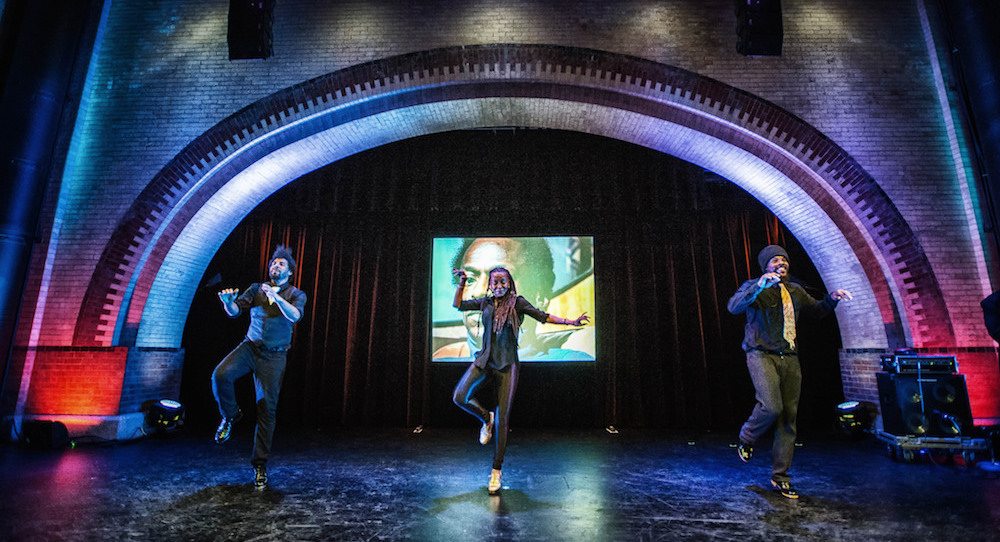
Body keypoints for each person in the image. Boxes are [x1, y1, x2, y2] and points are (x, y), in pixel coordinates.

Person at [451, 266, 590, 494]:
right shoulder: (485, 303)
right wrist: (462, 282)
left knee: (503, 421)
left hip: (508, 365)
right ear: (490, 284)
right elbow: (458, 305)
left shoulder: (518, 303)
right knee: (459, 396)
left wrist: (571, 322)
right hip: (484, 362)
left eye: (502, 282)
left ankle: (496, 471)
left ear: (509, 283)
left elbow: (543, 316)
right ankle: (486, 418)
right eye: (495, 283)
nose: (498, 286)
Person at [727, 245, 851, 499]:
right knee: (772, 407)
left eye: (784, 259)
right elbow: (734, 306)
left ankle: (781, 477)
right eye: (775, 260)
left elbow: (817, 309)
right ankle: (747, 437)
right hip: (761, 355)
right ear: (766, 266)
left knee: (788, 419)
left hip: (790, 358)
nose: (781, 263)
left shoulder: (795, 290)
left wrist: (833, 298)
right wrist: (760, 285)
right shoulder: (756, 287)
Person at [211, 245, 307, 490]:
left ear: (289, 272)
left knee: (266, 409)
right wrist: (228, 303)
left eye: (281, 264)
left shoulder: (296, 293)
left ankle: (259, 464)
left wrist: (276, 298)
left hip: (274, 357)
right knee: (220, 375)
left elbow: (295, 316)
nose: (275, 266)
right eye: (273, 263)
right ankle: (230, 416)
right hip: (250, 348)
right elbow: (234, 312)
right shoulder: (256, 289)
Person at [435, 237, 594, 361]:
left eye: (500, 281)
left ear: (540, 295)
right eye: (470, 279)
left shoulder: (569, 362)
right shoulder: (443, 359)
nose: (478, 292)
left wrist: (572, 322)